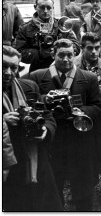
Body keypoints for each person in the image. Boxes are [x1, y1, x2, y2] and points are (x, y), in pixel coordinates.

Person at [28, 39, 101, 211]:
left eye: (70, 55)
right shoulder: (38, 76)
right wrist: (44, 100)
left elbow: (98, 106)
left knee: (82, 185)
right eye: (61, 55)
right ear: (54, 55)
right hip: (52, 141)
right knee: (53, 184)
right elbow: (29, 102)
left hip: (79, 140)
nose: (66, 59)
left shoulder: (88, 77)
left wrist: (80, 111)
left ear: (75, 54)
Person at [3, 45, 63, 211]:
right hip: (8, 163)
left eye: (13, 67)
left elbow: (48, 117)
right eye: (3, 67)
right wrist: (2, 121)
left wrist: (44, 131)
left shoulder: (29, 87)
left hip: (35, 159)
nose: (8, 72)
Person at [73, 33, 101, 197]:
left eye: (97, 48)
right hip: (79, 114)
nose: (94, 52)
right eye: (89, 48)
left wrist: (97, 86)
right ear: (82, 48)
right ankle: (83, 190)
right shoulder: (73, 64)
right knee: (82, 154)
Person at [15, 0, 80, 67]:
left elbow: (76, 47)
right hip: (38, 69)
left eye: (48, 8)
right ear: (35, 7)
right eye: (42, 7)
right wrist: (40, 53)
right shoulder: (25, 28)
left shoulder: (62, 26)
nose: (45, 11)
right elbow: (19, 53)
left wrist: (60, 49)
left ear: (53, 8)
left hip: (62, 67)